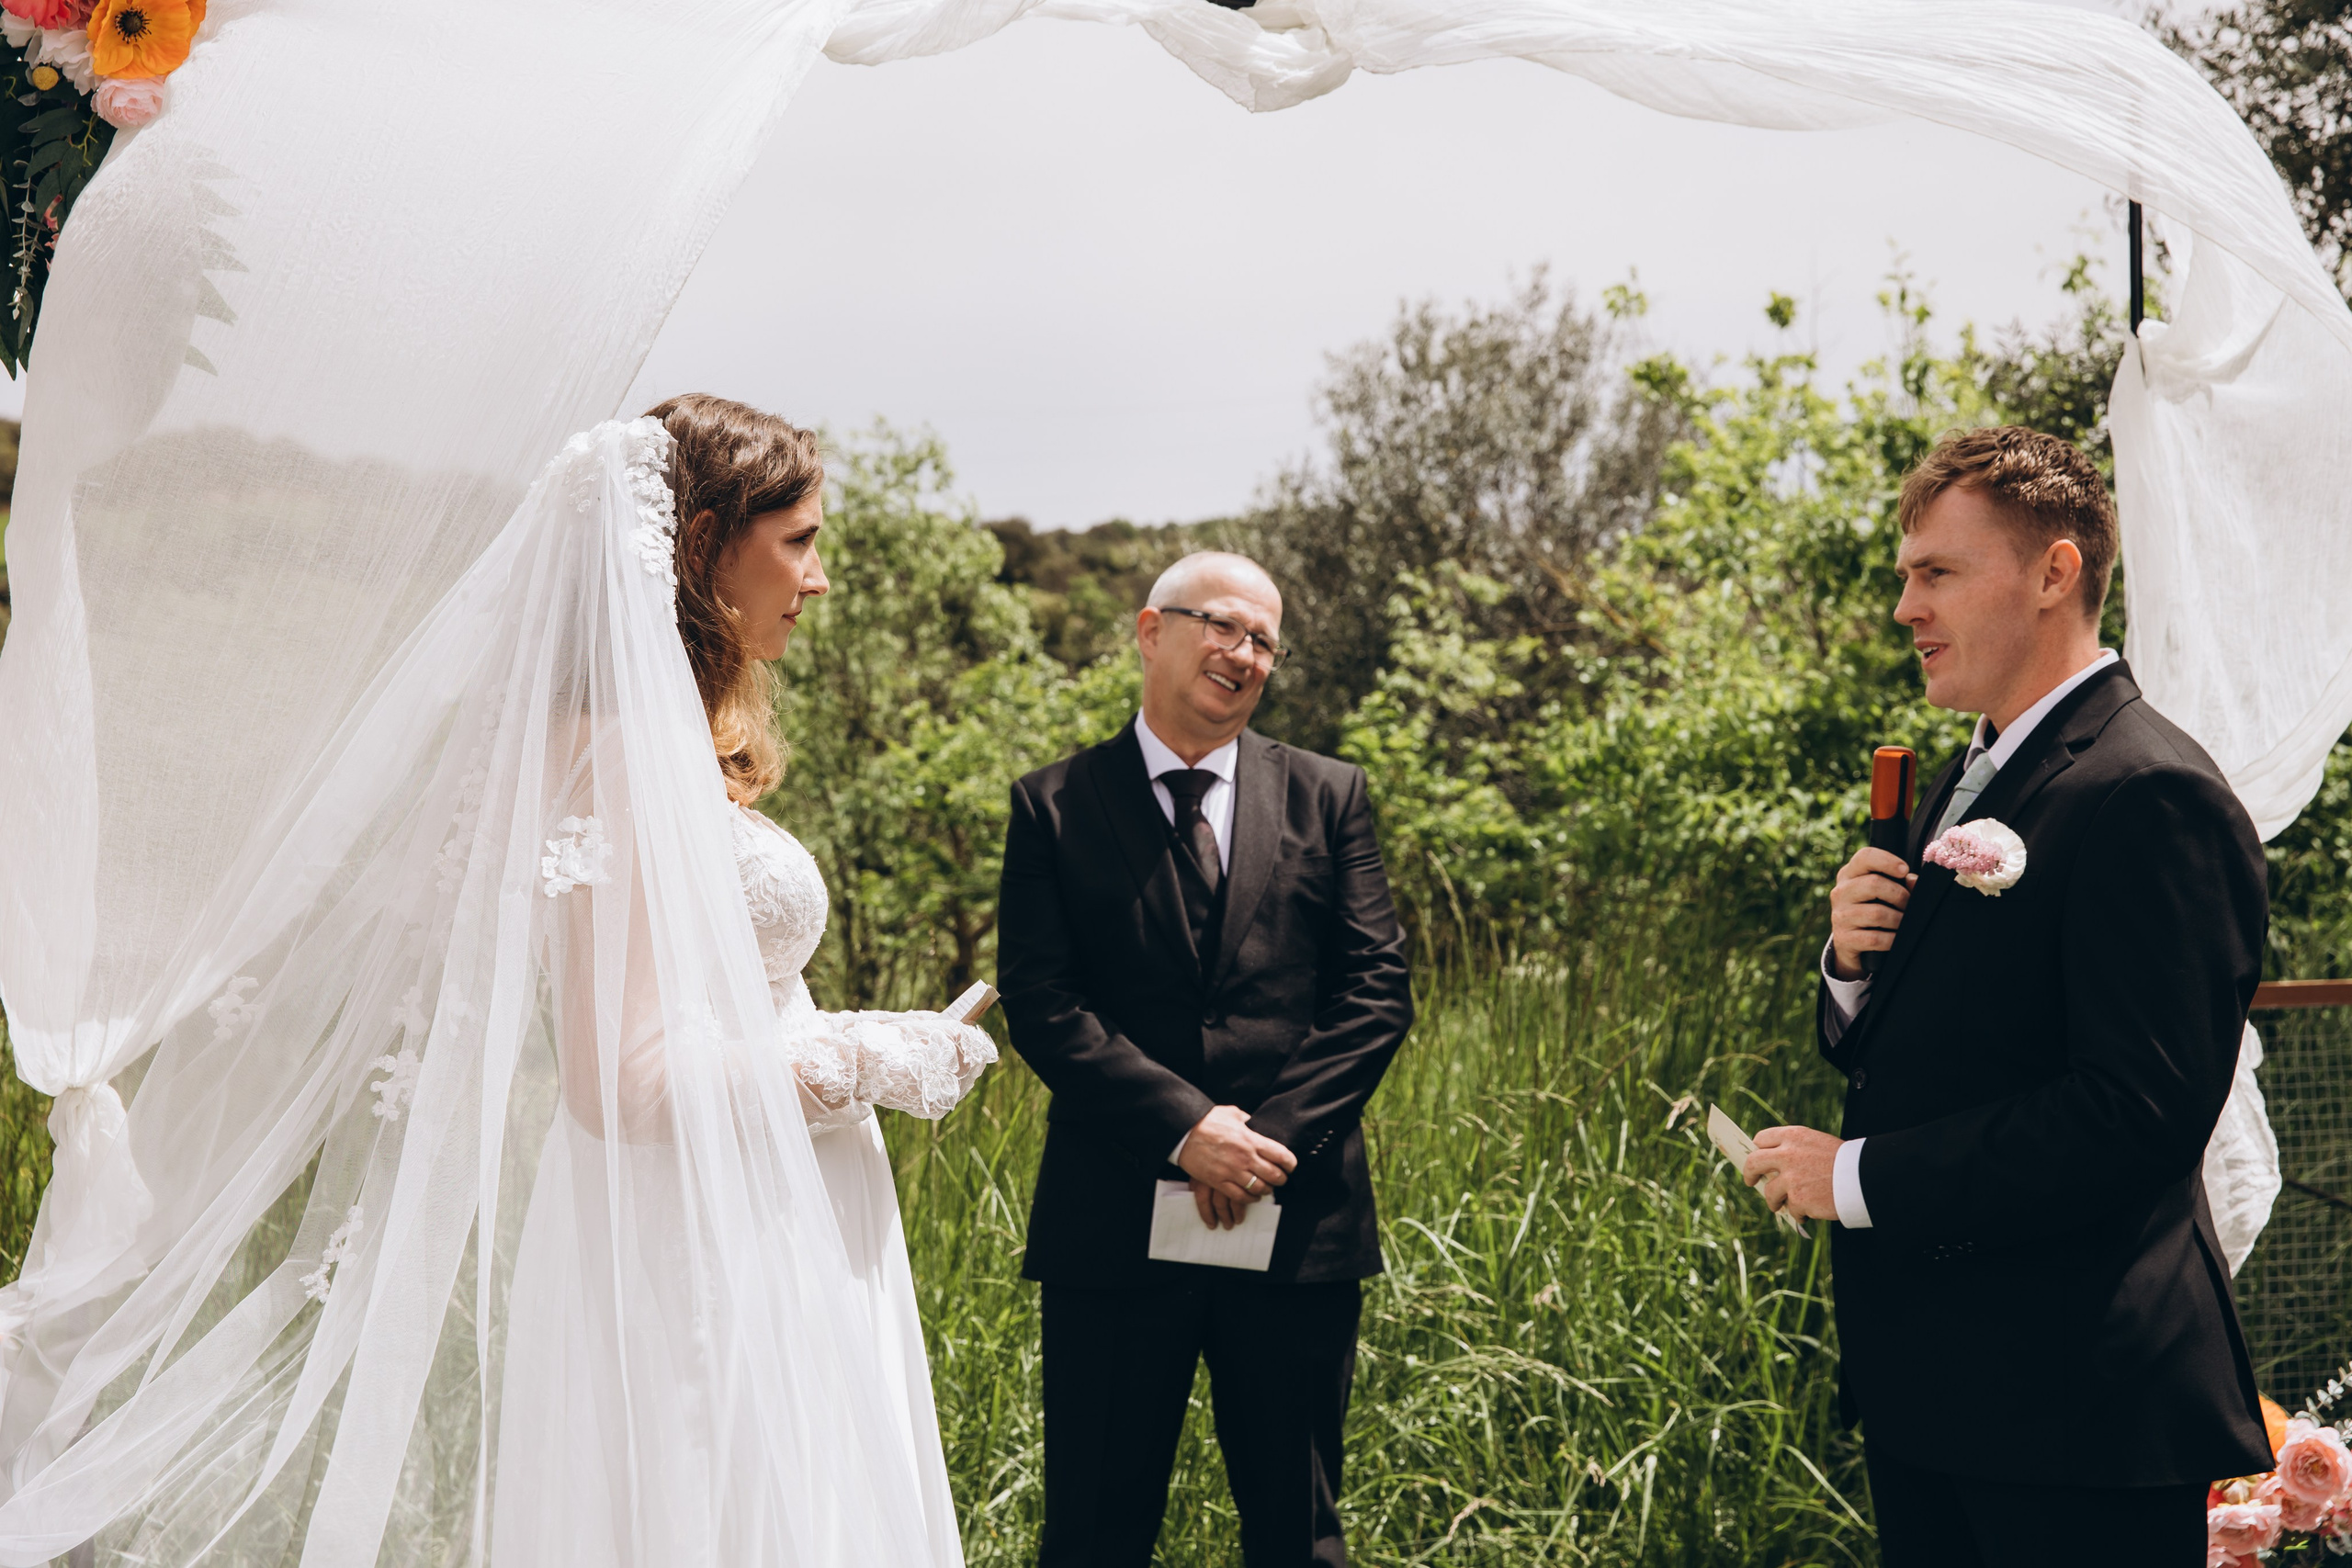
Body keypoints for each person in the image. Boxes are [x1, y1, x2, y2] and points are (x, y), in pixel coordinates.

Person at [0, 400, 989, 1566]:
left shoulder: (668, 729)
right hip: (695, 1234)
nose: (818, 578)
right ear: (708, 539)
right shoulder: (622, 742)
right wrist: (874, 1057)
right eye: (799, 540)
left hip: (769, 1197)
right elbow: (615, 1079)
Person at [1741, 426, 2272, 1566]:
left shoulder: (2151, 792)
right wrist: (1848, 970)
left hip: (2078, 1410)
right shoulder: (1973, 777)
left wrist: (1856, 1176)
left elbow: (2136, 1114)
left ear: (2052, 573)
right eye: (1903, 575)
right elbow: (1920, 1050)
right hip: (1940, 1392)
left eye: (1935, 572)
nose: (1903, 608)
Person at [996, 550, 1414, 1567]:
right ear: (1151, 630)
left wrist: (1258, 1145)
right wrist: (1185, 1131)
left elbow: (1376, 991)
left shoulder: (1328, 795)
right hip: (1113, 1226)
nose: (1244, 654)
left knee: (1299, 1536)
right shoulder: (1052, 805)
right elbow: (1044, 1004)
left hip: (1293, 1218)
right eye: (1223, 626)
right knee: (1094, 1533)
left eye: (1265, 640)